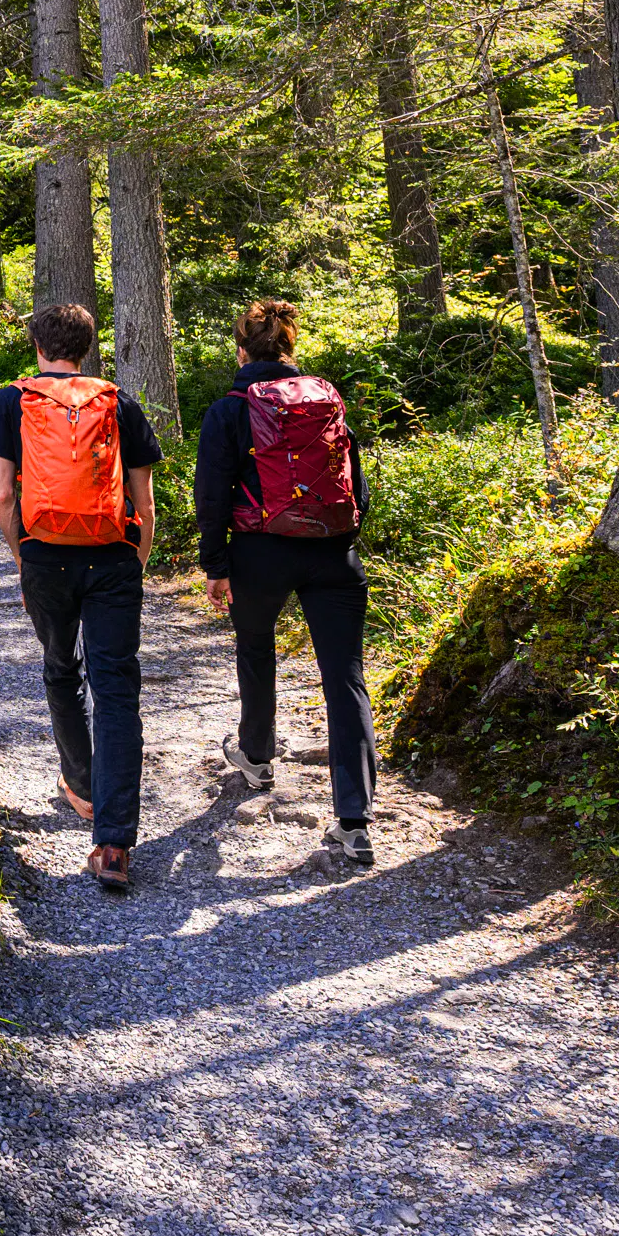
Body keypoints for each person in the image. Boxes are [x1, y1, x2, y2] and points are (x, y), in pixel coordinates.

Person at [0, 303, 161, 894]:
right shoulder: (118, 401)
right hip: (112, 558)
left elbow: (3, 496)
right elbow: (144, 504)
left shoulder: (11, 401)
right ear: (86, 348)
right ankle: (114, 843)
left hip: (45, 557)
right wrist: (133, 563)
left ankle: (80, 785)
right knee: (117, 689)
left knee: (61, 667)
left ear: (38, 345)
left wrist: (22, 556)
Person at [194, 297, 379, 869]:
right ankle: (355, 821)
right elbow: (356, 481)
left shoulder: (229, 410)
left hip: (259, 553)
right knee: (345, 676)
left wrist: (216, 566)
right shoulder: (325, 398)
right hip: (334, 552)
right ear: (291, 348)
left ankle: (256, 756)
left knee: (256, 648)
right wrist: (343, 539)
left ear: (241, 352)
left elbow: (211, 495)